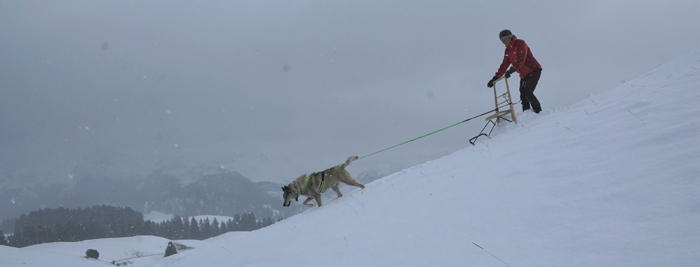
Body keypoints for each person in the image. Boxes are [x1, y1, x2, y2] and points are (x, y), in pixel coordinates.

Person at [487, 29, 543, 113]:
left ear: (510, 37)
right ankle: (527, 114)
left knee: (528, 92)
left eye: (505, 39)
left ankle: (538, 112)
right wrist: (495, 78)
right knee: (523, 94)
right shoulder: (508, 50)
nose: (504, 42)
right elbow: (504, 65)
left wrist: (511, 70)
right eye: (502, 40)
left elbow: (521, 59)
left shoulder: (520, 43)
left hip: (533, 70)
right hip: (524, 75)